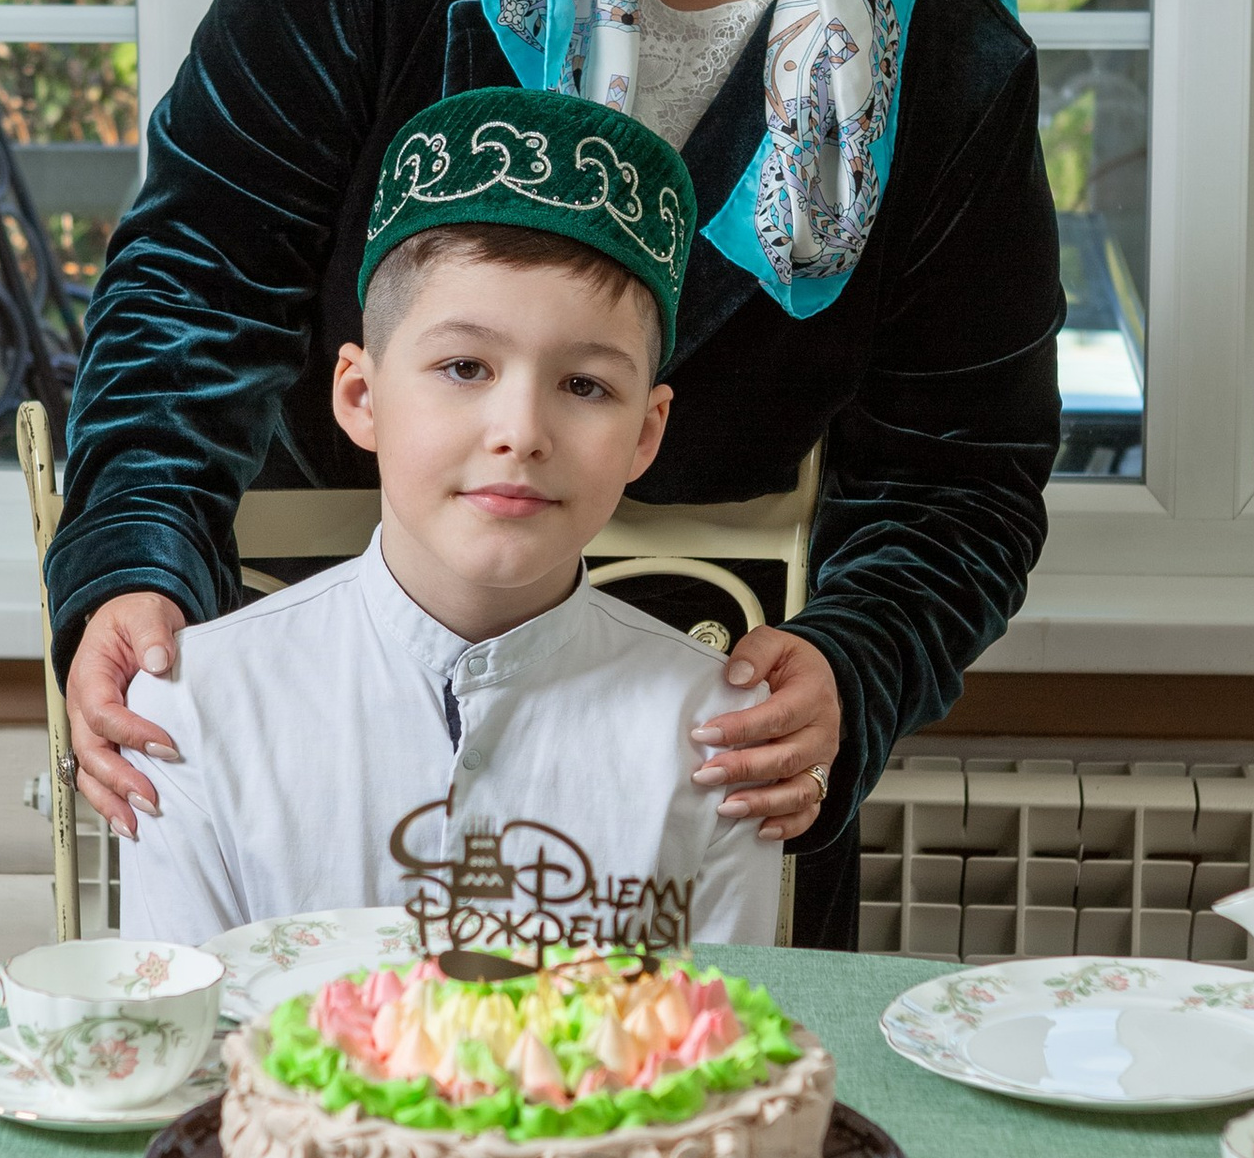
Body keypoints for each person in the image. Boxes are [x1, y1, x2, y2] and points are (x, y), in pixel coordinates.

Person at [49, 0, 1062, 944]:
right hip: (309, 672)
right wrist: (132, 553)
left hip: (689, 748)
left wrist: (851, 665)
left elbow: (962, 472)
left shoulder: (954, 62)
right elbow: (195, 264)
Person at [115, 90, 783, 949]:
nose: (521, 434)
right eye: (466, 366)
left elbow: (712, 1049)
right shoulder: (197, 708)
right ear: (361, 396)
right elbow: (182, 1042)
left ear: (645, 433)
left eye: (585, 386)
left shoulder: (717, 736)